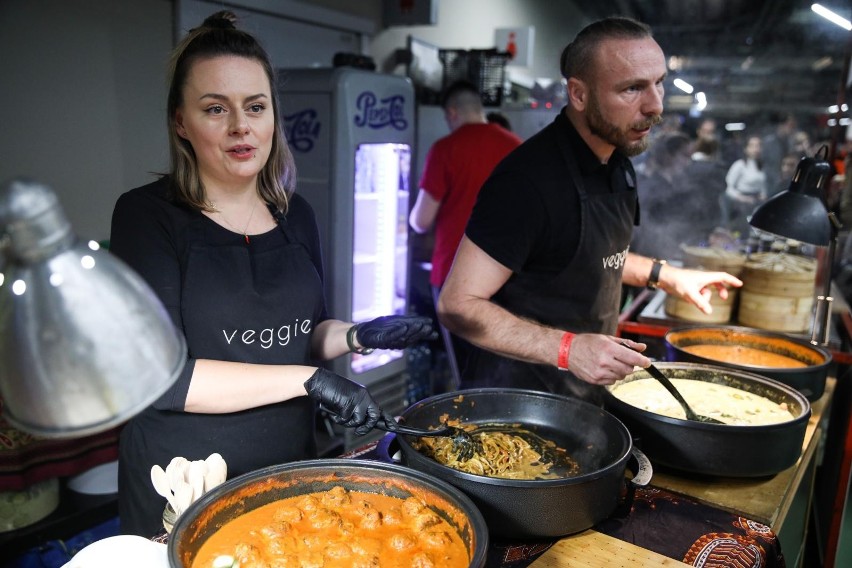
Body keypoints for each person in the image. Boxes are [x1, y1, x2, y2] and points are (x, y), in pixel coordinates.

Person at [109, 11, 435, 537]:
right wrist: (308, 380)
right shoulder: (147, 217)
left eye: (255, 107)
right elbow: (160, 379)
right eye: (216, 108)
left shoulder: (295, 213)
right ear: (180, 122)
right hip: (187, 480)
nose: (241, 126)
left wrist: (356, 334)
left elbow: (303, 333)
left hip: (287, 466)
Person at [436, 16, 742, 403]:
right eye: (632, 89)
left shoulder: (616, 162)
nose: (655, 106)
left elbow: (593, 256)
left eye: (658, 83)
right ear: (579, 95)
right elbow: (456, 305)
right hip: (516, 405)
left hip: (584, 394)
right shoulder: (527, 181)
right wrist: (568, 350)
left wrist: (667, 276)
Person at [409, 80, 522, 387]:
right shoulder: (516, 146)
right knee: (500, 363)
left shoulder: (445, 149)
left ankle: (470, 427)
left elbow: (421, 220)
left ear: (453, 112)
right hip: (508, 274)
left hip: (455, 274)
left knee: (465, 369)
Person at [724, 135, 767, 237]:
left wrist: (763, 195)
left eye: (758, 146)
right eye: (752, 146)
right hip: (741, 207)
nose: (756, 149)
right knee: (741, 234)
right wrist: (741, 197)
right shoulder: (739, 165)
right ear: (746, 149)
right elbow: (728, 187)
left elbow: (763, 186)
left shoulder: (761, 166)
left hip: (756, 205)